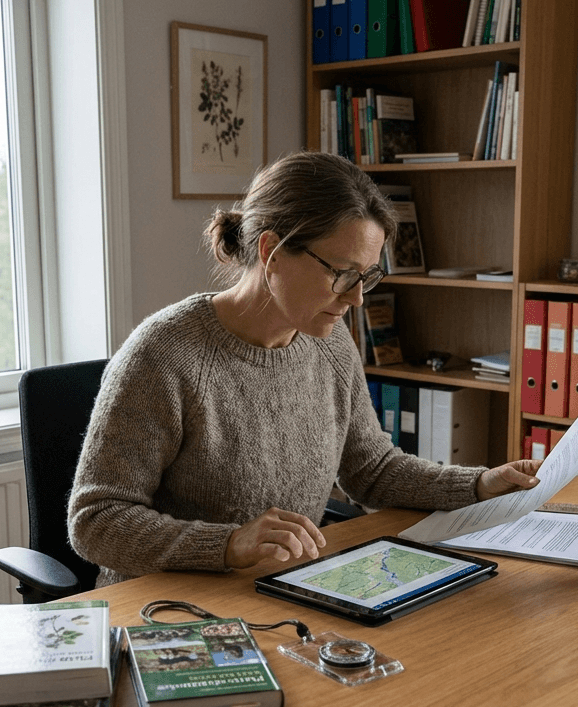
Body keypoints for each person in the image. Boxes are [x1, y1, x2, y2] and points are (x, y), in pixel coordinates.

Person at [67, 150, 540, 588]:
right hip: (166, 610)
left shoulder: (329, 342)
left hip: (280, 590)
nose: (357, 298)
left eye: (367, 277)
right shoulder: (165, 354)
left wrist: (477, 485)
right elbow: (95, 520)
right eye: (342, 273)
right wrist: (228, 545)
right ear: (271, 251)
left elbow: (372, 470)